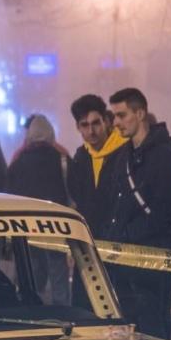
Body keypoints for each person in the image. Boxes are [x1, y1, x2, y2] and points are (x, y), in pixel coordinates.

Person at [97, 87, 171, 339]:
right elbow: (113, 204)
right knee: (126, 332)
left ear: (140, 114)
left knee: (153, 333)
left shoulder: (163, 157)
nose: (115, 122)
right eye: (114, 116)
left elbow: (167, 210)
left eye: (122, 115)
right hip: (121, 260)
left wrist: (127, 234)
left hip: (150, 261)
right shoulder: (121, 156)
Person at [7, 113, 71, 304]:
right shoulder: (62, 160)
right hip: (56, 227)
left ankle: (32, 314)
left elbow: (8, 196)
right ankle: (63, 316)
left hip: (26, 229)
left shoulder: (18, 162)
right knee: (59, 278)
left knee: (30, 277)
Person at [66, 93, 127, 236]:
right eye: (85, 125)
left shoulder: (125, 152)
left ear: (106, 121)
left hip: (119, 240)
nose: (91, 131)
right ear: (77, 127)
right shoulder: (80, 158)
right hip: (91, 238)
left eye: (96, 123)